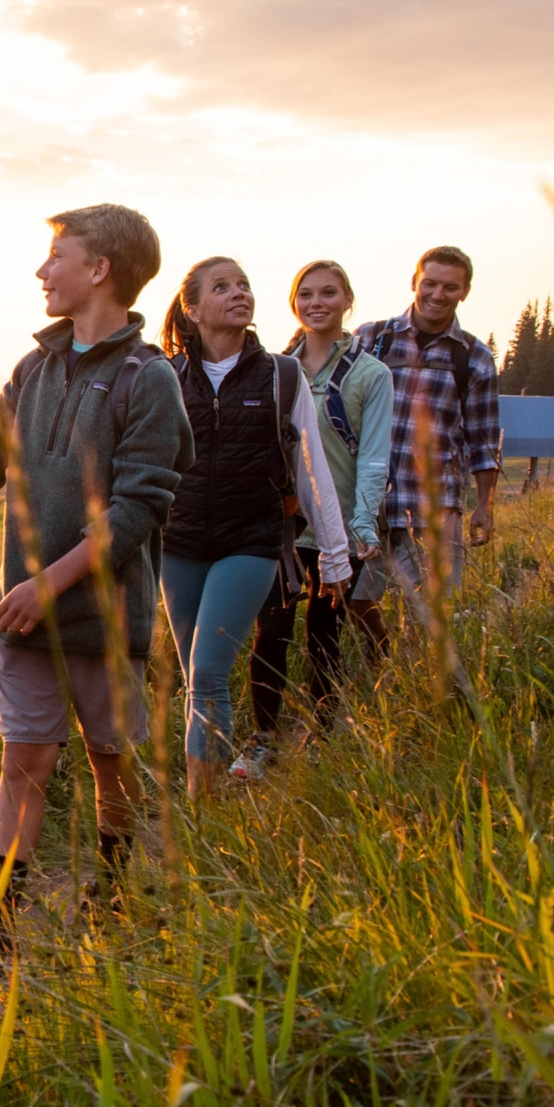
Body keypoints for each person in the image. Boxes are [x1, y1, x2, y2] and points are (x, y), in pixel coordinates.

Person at [0, 204, 191, 952]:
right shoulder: (34, 367)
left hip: (101, 619)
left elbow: (137, 510)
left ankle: (115, 885)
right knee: (24, 762)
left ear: (99, 269)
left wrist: (44, 587)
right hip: (27, 620)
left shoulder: (150, 378)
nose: (42, 270)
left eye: (55, 255)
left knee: (111, 758)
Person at [155, 257, 353, 797]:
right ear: (192, 309)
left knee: (209, 670)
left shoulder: (282, 376)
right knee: (193, 673)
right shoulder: (167, 377)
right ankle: (208, 790)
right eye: (222, 287)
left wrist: (334, 558)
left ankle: (202, 806)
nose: (239, 293)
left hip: (251, 542)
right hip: (179, 542)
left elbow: (312, 472)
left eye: (243, 284)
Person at [233, 259, 391, 781]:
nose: (317, 302)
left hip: (337, 528)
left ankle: (323, 733)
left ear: (348, 301)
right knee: (271, 631)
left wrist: (361, 528)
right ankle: (262, 741)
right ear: (293, 303)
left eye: (329, 293)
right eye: (306, 294)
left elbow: (372, 456)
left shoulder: (371, 374)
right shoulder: (276, 370)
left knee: (324, 633)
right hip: (281, 526)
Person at [354, 246, 501, 630]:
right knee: (356, 602)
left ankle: (417, 682)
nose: (438, 295)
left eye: (450, 287)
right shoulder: (372, 339)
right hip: (367, 502)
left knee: (429, 614)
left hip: (433, 504)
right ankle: (378, 661)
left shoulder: (474, 357)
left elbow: (483, 441)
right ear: (414, 283)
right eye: (430, 283)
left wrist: (484, 506)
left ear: (464, 292)